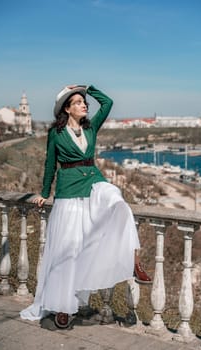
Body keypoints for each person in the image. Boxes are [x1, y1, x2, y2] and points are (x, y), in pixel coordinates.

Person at [20, 84, 151, 329]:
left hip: (93, 183)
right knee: (69, 251)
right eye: (78, 102)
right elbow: (50, 164)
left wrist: (88, 88)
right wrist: (45, 192)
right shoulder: (56, 134)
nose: (84, 105)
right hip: (69, 192)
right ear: (67, 109)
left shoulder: (91, 127)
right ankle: (63, 306)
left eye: (84, 102)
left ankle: (133, 259)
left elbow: (108, 103)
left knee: (118, 202)